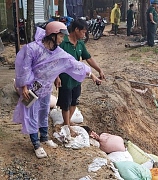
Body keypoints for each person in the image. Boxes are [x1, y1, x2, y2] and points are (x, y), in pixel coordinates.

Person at [13, 21, 101, 158]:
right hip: (32, 88)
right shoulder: (32, 49)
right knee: (31, 114)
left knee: (43, 112)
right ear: (53, 35)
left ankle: (44, 137)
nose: (62, 39)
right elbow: (25, 68)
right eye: (60, 36)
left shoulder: (57, 52)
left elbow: (73, 63)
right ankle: (36, 144)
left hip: (46, 88)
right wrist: (24, 86)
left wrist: (91, 74)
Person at [55, 19, 105, 137]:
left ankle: (68, 121)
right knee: (66, 102)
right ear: (76, 30)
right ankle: (67, 126)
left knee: (74, 100)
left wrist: (99, 70)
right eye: (83, 32)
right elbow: (55, 61)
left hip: (76, 78)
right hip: (65, 78)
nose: (84, 35)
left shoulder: (81, 44)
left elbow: (88, 58)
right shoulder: (63, 42)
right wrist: (56, 76)